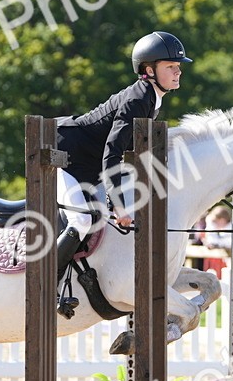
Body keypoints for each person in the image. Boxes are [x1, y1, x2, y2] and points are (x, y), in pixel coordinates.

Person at [54, 31, 190, 297]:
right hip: (65, 155)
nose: (178, 72)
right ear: (149, 70)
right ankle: (47, 282)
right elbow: (112, 154)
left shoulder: (150, 99)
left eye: (178, 67)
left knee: (96, 221)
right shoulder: (137, 100)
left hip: (87, 165)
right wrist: (118, 204)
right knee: (82, 220)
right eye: (171, 66)